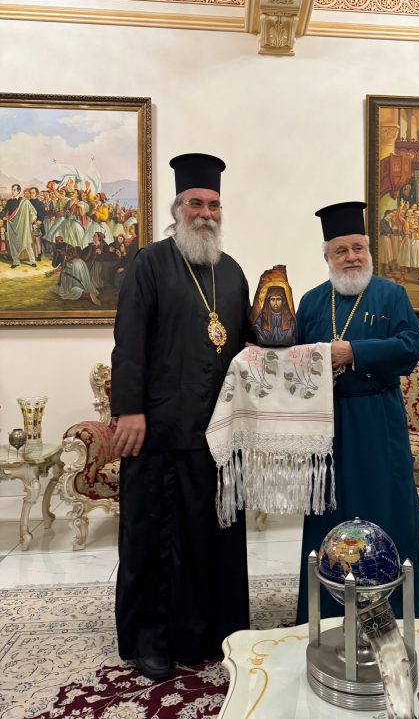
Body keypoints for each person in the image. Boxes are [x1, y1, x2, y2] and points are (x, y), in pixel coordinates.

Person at [110, 153, 253, 681]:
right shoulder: (149, 263)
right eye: (196, 203)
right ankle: (152, 640)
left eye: (214, 204)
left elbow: (248, 347)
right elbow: (128, 341)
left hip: (218, 433)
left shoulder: (232, 272)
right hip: (160, 429)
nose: (206, 213)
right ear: (177, 208)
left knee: (211, 535)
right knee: (157, 537)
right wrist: (128, 409)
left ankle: (214, 630)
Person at [295, 201, 419, 624]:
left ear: (369, 251)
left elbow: (410, 347)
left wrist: (354, 351)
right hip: (327, 425)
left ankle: (396, 607)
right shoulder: (311, 302)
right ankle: (327, 610)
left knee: (387, 508)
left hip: (378, 420)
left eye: (358, 248)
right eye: (342, 250)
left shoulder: (392, 295)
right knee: (330, 512)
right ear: (327, 257)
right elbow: (293, 358)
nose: (352, 257)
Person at [0, 184, 37, 268]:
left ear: (19, 191)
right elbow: (3, 212)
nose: (12, 191)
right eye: (12, 190)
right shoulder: (9, 201)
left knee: (27, 242)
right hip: (13, 226)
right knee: (13, 244)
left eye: (14, 190)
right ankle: (16, 261)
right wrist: (3, 217)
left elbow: (33, 212)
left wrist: (30, 223)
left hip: (23, 226)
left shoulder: (25, 201)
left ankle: (32, 261)